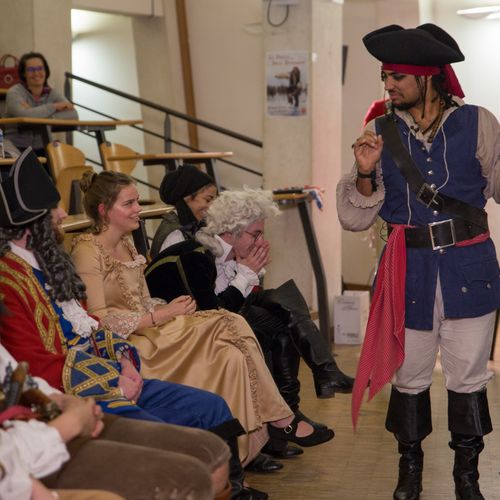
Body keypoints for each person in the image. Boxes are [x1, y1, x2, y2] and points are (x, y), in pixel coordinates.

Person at [0, 149, 259, 499]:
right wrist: (114, 380)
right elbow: (34, 363)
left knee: (210, 406)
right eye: (53, 210)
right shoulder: (8, 281)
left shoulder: (49, 264)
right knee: (173, 442)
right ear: (30, 223)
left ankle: (236, 489)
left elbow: (90, 324)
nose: (62, 214)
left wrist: (124, 359)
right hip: (80, 391)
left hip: (112, 372)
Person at [71, 170, 334, 468]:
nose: (138, 209)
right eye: (129, 203)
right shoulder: (87, 251)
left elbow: (141, 300)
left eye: (136, 202)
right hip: (129, 344)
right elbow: (98, 321)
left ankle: (242, 453)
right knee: (230, 322)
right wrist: (162, 314)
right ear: (104, 210)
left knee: (231, 352)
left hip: (152, 328)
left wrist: (167, 308)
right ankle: (283, 418)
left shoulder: (128, 244)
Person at [336, 23, 500, 500]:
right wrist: (365, 172)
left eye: (397, 77)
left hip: (470, 268)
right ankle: (409, 473)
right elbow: (353, 217)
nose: (388, 85)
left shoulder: (479, 123)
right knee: (409, 378)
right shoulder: (378, 131)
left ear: (427, 77)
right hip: (407, 272)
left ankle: (467, 479)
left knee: (469, 378)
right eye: (385, 76)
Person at [145, 188, 354, 409]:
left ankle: (302, 396)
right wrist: (245, 274)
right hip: (178, 329)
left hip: (208, 318)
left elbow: (233, 303)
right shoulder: (196, 256)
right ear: (231, 231)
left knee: (283, 300)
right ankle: (298, 401)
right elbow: (213, 315)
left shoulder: (227, 253)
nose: (261, 241)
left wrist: (249, 272)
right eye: (256, 234)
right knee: (279, 323)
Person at [0, 342, 227, 500]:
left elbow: (17, 374)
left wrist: (64, 401)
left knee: (212, 445)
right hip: (33, 444)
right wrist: (71, 423)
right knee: (189, 477)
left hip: (53, 411)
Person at [4, 52, 78, 154]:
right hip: (17, 147)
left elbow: (73, 115)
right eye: (31, 69)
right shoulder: (14, 92)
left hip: (45, 146)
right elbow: (24, 115)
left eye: (40, 68)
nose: (36, 73)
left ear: (46, 71)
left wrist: (35, 114)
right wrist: (54, 107)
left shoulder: (52, 93)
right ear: (24, 73)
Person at [149, 164, 217, 259]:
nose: (212, 206)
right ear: (187, 197)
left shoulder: (195, 225)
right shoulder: (175, 236)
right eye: (208, 200)